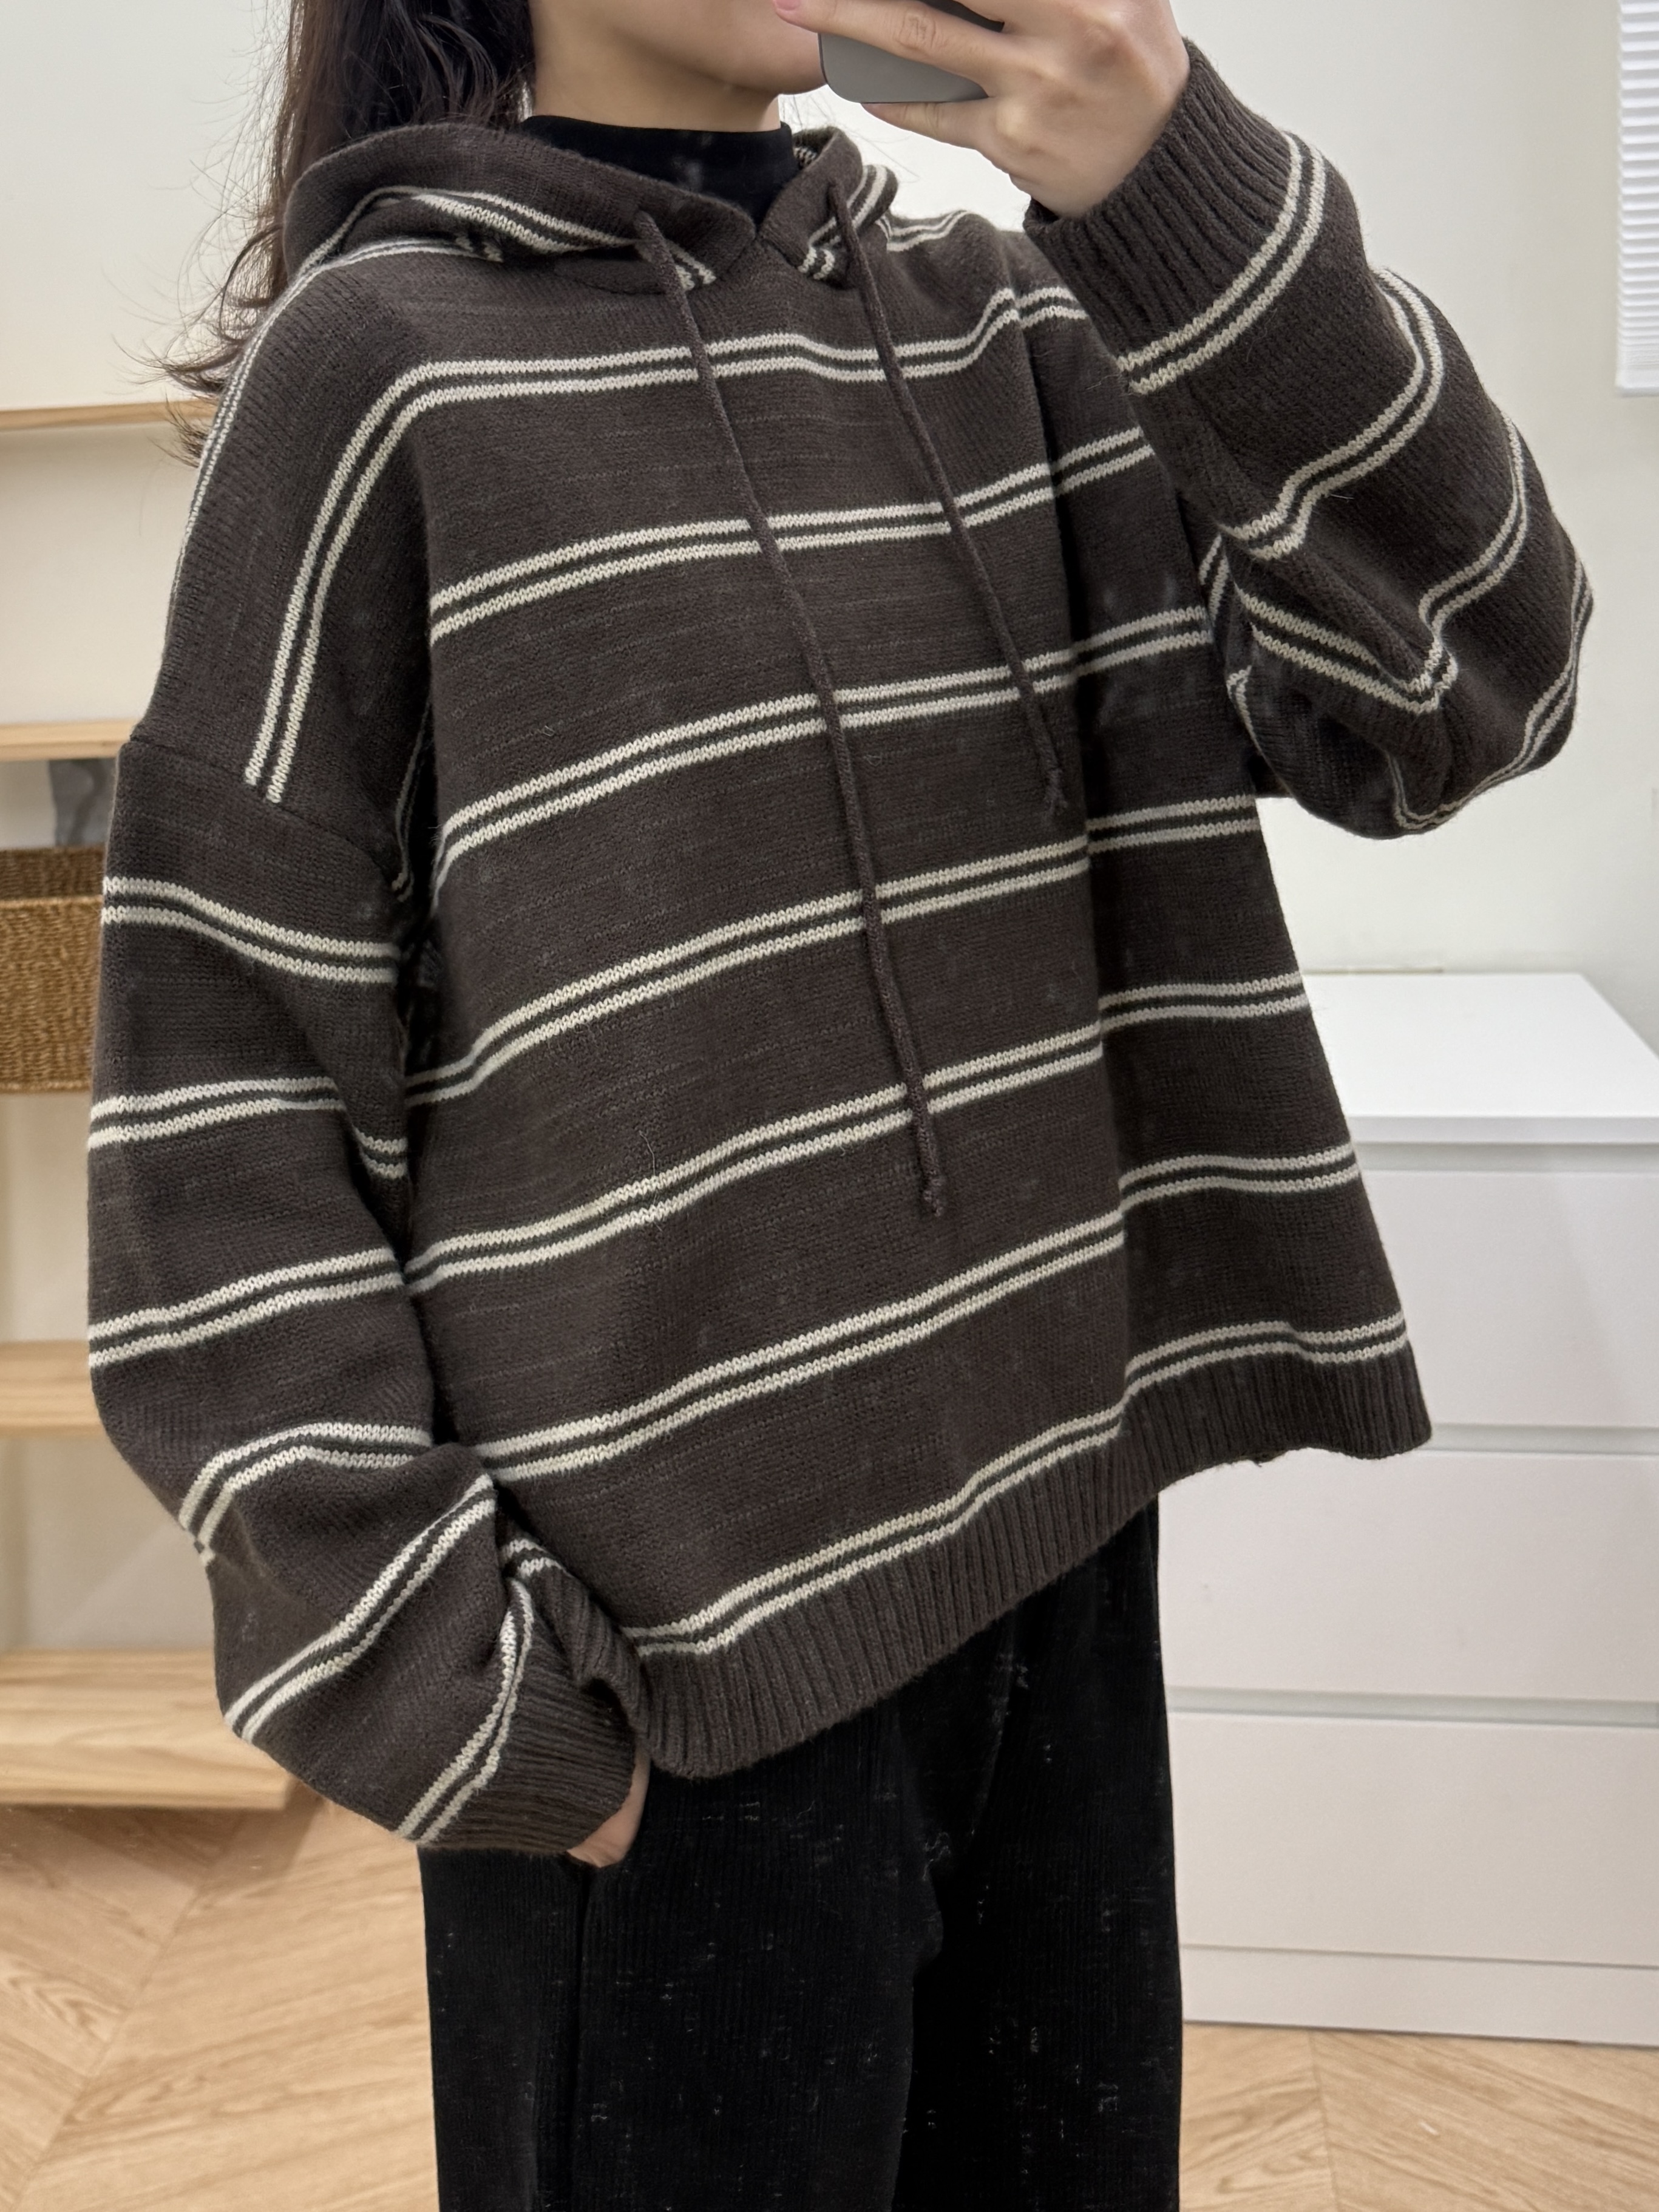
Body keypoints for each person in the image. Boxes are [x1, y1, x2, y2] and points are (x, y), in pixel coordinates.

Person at [87, 1, 1586, 2204]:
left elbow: (1473, 676)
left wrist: (1177, 177)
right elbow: (215, 1098)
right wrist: (472, 1701)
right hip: (667, 1706)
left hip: (1061, 1586)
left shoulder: (1013, 327)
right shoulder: (386, 368)